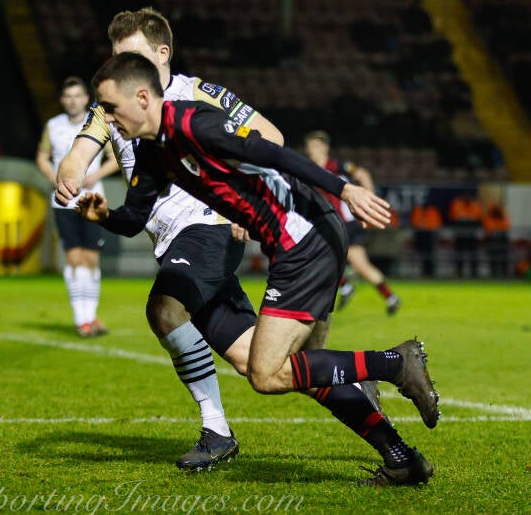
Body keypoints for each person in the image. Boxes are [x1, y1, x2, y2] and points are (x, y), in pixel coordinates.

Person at [66, 52, 439, 486]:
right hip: (292, 244)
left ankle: (394, 363)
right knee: (299, 366)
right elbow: (134, 218)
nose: (107, 119)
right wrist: (103, 216)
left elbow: (272, 152)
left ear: (143, 97)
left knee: (266, 372)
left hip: (306, 235)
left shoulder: (194, 123)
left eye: (110, 108)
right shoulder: (152, 154)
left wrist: (345, 190)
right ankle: (401, 457)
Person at [56, 7, 284, 470]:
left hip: (209, 225)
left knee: (164, 307)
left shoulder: (201, 95)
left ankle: (216, 428)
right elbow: (76, 155)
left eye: (132, 57)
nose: (121, 69)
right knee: (254, 360)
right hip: (170, 237)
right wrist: (71, 175)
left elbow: (270, 136)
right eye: (116, 58)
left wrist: (248, 198)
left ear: (162, 54)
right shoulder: (109, 107)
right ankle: (362, 371)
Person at [36, 76, 120, 337]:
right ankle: (81, 319)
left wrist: (96, 176)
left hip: (92, 200)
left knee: (91, 260)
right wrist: (55, 178)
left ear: (86, 99)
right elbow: (42, 157)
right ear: (62, 100)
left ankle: (91, 316)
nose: (72, 101)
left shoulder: (97, 122)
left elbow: (115, 159)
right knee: (74, 259)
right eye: (68, 96)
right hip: (63, 203)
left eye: (77, 96)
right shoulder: (53, 126)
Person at [304, 131, 402, 315]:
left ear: (325, 148)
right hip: (330, 223)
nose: (312, 150)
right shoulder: (309, 170)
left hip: (346, 224)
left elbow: (362, 173)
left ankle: (351, 287)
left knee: (351, 262)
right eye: (310, 147)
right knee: (324, 256)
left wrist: (370, 195)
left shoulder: (336, 166)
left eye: (316, 146)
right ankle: (385, 296)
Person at [448, 192, 483, 278]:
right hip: (460, 234)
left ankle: (474, 273)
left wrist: (466, 219)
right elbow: (453, 217)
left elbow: (478, 219)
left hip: (472, 234)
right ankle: (459, 273)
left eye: (468, 195)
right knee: (459, 254)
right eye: (465, 195)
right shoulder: (456, 204)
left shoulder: (475, 205)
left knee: (474, 254)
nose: (467, 197)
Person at [410, 202, 443, 277]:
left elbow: (437, 224)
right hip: (419, 234)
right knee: (418, 254)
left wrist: (428, 227)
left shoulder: (433, 211)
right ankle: (416, 273)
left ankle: (430, 272)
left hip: (430, 235)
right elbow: (414, 222)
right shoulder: (417, 210)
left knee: (430, 254)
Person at [482, 200, 511, 278]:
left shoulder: (503, 217)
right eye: (494, 210)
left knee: (504, 258)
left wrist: (497, 230)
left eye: (497, 209)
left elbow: (506, 226)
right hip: (493, 240)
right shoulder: (488, 218)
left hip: (502, 240)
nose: (496, 211)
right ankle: (494, 275)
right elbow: (489, 229)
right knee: (493, 259)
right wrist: (497, 230)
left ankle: (505, 275)